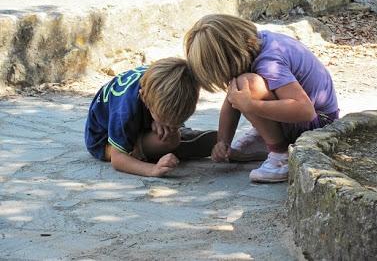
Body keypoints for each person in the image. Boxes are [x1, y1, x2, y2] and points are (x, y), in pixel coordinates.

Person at [185, 14, 339, 183]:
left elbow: (305, 110)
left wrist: (252, 106)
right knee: (240, 88)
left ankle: (281, 156)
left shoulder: (269, 62)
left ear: (229, 58)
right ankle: (264, 137)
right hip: (306, 119)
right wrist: (223, 142)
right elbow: (232, 98)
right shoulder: (255, 43)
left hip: (319, 125)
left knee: (248, 85)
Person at [85, 57, 217, 177]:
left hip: (139, 119)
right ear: (145, 99)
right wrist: (152, 169)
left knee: (170, 136)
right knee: (170, 140)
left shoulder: (162, 79)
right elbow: (117, 158)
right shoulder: (124, 111)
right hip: (104, 141)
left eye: (178, 123)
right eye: (166, 121)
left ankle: (175, 138)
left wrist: (159, 119)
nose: (172, 127)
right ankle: (168, 145)